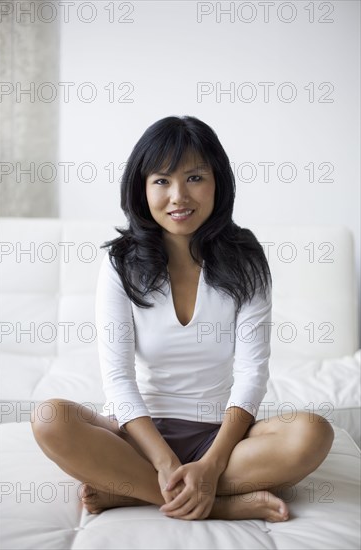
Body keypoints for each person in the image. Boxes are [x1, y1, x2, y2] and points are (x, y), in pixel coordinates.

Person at [31, 115, 334, 522]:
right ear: (142, 188)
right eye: (162, 181)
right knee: (49, 419)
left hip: (221, 438)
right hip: (139, 436)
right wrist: (164, 462)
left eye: (194, 178)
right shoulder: (119, 263)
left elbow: (251, 374)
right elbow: (118, 380)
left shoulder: (246, 259)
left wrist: (210, 465)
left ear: (218, 183)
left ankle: (134, 492)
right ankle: (220, 505)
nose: (178, 196)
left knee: (313, 433)